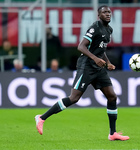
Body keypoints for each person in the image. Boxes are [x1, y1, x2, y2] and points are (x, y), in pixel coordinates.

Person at [35, 5, 129, 141]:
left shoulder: (109, 29)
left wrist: (107, 63)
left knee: (112, 96)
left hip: (98, 68)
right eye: (104, 12)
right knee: (74, 98)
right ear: (99, 15)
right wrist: (95, 59)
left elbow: (101, 51)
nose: (107, 14)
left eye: (109, 12)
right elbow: (81, 46)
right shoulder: (95, 27)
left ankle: (113, 133)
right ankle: (41, 118)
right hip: (86, 67)